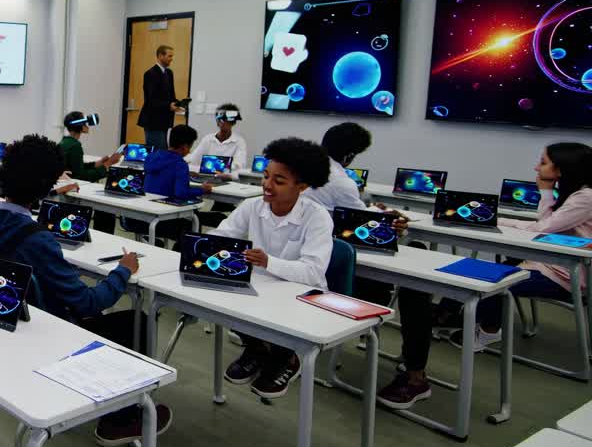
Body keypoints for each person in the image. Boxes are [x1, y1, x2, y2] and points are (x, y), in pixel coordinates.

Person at [0, 135, 171, 446]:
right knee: (138, 321)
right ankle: (118, 418)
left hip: (7, 323)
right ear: (44, 186)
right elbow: (87, 303)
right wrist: (123, 271)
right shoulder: (37, 240)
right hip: (50, 335)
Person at [301, 123, 428, 409]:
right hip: (333, 278)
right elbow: (359, 222)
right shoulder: (339, 179)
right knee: (412, 282)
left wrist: (368, 211)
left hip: (308, 265)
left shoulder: (304, 169)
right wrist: (388, 221)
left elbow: (347, 215)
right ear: (349, 155)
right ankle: (416, 374)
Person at [215, 138, 333, 399]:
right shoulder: (252, 207)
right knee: (221, 299)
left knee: (270, 310)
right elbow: (222, 235)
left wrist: (268, 262)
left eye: (279, 181)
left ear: (301, 187)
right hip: (259, 285)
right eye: (266, 176)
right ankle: (257, 349)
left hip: (300, 293)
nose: (267, 185)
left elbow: (313, 272)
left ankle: (286, 359)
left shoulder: (317, 217)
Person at [458, 143, 592, 351]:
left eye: (543, 162)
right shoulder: (576, 193)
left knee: (491, 284)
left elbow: (543, 229)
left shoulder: (586, 197)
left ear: (562, 168)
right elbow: (548, 225)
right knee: (478, 271)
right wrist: (545, 191)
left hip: (566, 277)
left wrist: (498, 220)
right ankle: (454, 317)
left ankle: (487, 334)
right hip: (550, 264)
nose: (536, 168)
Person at [135, 45, 183, 150]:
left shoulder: (169, 73)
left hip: (165, 121)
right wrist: (168, 106)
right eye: (169, 56)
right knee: (157, 152)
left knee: (164, 151)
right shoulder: (150, 74)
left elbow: (171, 96)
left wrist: (178, 104)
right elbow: (150, 100)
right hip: (153, 121)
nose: (171, 59)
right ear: (161, 56)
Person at [185, 104, 248, 179]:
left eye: (225, 119)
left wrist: (217, 169)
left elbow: (239, 166)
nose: (222, 122)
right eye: (219, 119)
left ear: (233, 122)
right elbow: (193, 159)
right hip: (206, 178)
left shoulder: (239, 142)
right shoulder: (208, 139)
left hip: (227, 180)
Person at [59, 111, 123, 183]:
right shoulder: (75, 146)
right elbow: (81, 177)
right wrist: (108, 164)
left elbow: (76, 167)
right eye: (85, 123)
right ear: (80, 125)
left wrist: (99, 163)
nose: (87, 126)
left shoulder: (64, 142)